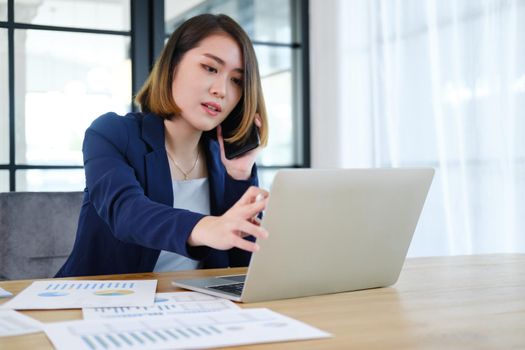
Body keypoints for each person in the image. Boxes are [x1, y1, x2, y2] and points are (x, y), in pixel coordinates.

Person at [56, 14, 269, 277]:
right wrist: (205, 227)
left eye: (236, 80)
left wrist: (239, 176)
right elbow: (127, 213)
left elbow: (241, 265)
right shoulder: (112, 133)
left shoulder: (226, 160)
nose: (221, 90)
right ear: (172, 66)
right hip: (97, 300)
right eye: (210, 68)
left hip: (191, 306)